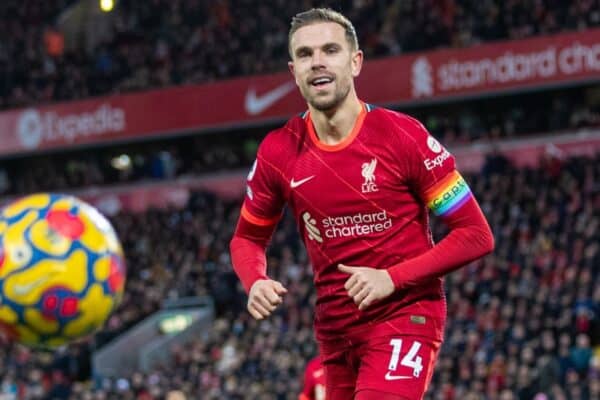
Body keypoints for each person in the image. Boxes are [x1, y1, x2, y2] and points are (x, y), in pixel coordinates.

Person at [229, 8, 494, 400]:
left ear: (355, 63)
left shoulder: (402, 137)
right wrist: (255, 281)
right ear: (293, 71)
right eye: (305, 54)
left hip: (405, 315)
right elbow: (247, 238)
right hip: (335, 332)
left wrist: (391, 278)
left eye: (330, 50)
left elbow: (476, 235)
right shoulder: (278, 151)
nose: (317, 61)